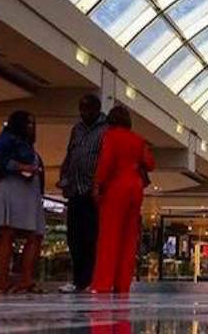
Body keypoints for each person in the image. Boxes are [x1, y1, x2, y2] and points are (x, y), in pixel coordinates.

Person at [90, 106, 155, 294]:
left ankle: (103, 283)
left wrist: (97, 185)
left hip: (116, 188)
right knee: (128, 237)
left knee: (109, 236)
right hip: (135, 189)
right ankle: (122, 284)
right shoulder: (138, 140)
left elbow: (105, 162)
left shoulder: (110, 136)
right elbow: (150, 164)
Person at [0, 110, 44, 294]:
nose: (31, 127)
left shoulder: (25, 145)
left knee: (34, 234)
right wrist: (19, 166)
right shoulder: (5, 140)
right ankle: (2, 282)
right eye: (28, 123)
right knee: (7, 233)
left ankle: (25, 279)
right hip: (11, 188)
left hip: (27, 190)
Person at [57, 94, 108, 293]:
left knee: (91, 237)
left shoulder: (106, 130)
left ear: (97, 109)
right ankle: (78, 279)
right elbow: (70, 154)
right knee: (74, 237)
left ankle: (91, 278)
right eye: (82, 109)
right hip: (75, 190)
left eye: (88, 109)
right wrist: (65, 177)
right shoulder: (77, 129)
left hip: (93, 191)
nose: (84, 113)